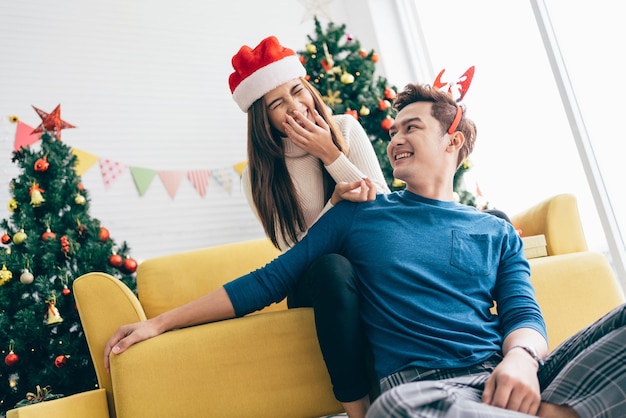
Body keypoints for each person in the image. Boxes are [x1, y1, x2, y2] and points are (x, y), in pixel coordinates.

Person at [105, 81, 626, 417]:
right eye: (393, 130)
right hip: (426, 391)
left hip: (506, 376)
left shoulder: (494, 228)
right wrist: (157, 322)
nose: (395, 138)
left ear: (454, 142)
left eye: (412, 127)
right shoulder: (356, 215)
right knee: (394, 411)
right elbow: (267, 281)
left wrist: (520, 362)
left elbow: (523, 312)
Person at [228, 35, 390, 416]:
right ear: (262, 118)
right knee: (334, 267)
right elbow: (294, 255)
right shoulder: (258, 178)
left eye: (297, 91)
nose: (295, 106)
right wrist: (333, 205)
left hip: (369, 262)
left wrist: (330, 155)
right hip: (316, 279)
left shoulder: (346, 130)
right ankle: (358, 410)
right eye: (277, 104)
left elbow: (382, 212)